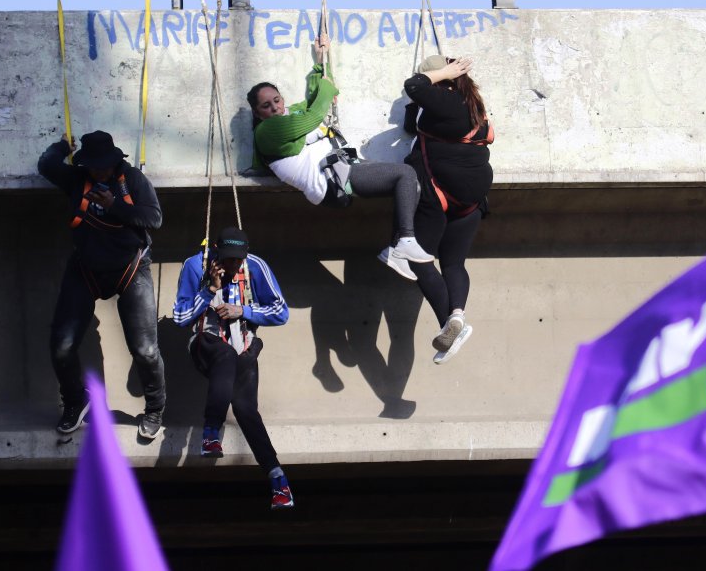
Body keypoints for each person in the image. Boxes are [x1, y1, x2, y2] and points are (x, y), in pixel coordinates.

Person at [247, 33, 433, 277]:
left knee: (409, 185)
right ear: (258, 113)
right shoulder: (267, 130)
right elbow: (316, 112)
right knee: (406, 173)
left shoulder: (288, 114)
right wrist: (326, 89)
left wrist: (320, 60)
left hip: (341, 169)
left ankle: (397, 246)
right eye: (266, 106)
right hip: (332, 180)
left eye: (277, 100)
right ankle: (405, 241)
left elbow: (314, 98)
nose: (275, 108)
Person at [37, 130, 167, 440]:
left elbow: (154, 219)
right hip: (86, 269)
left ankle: (155, 409)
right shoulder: (77, 179)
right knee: (62, 345)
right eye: (94, 166)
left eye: (105, 166)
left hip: (130, 269)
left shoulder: (132, 180)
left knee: (146, 350)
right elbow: (46, 164)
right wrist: (61, 147)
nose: (100, 172)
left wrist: (113, 205)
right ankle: (74, 402)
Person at [173, 227, 295, 509]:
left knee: (245, 409)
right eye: (227, 260)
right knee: (225, 355)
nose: (233, 265)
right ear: (215, 251)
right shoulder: (195, 266)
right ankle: (210, 433)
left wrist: (244, 311)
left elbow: (281, 311)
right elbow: (180, 317)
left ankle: (278, 479)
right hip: (207, 345)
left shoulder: (256, 267)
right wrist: (210, 290)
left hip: (243, 347)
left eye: (238, 260)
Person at [401, 56, 494, 364]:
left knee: (418, 258)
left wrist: (441, 73)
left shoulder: (447, 100)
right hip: (471, 200)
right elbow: (416, 127)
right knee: (453, 264)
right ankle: (455, 315)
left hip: (440, 194)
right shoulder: (471, 104)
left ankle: (451, 324)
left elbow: (413, 86)